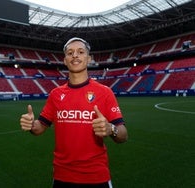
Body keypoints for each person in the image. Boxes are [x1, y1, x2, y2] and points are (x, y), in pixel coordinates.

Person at [20, 37, 128, 188]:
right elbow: (40, 128)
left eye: (80, 52)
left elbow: (123, 135)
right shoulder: (55, 94)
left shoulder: (105, 92)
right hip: (62, 176)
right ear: (65, 60)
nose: (75, 55)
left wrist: (111, 129)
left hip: (96, 177)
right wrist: (31, 125)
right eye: (70, 53)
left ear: (88, 58)